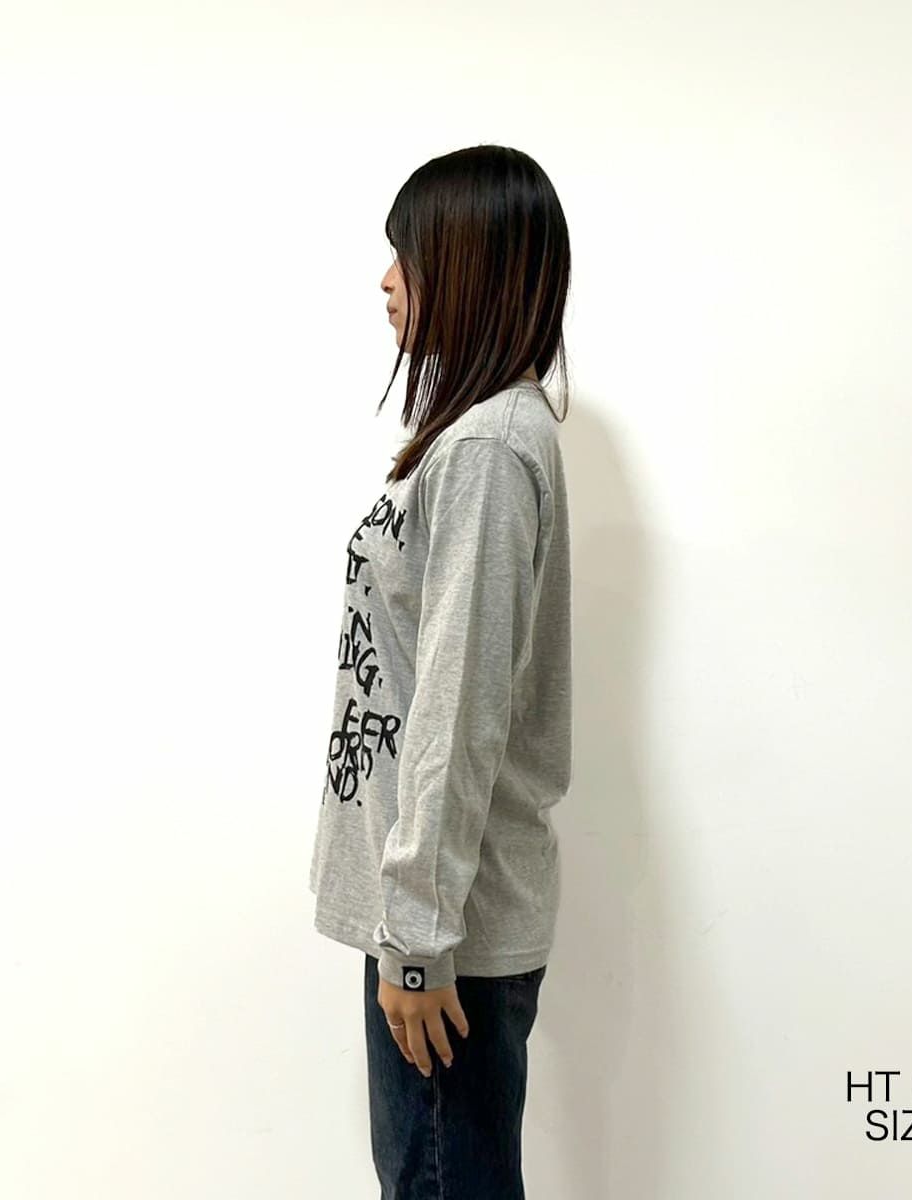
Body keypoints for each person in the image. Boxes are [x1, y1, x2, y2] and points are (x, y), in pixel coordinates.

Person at [308, 143, 573, 1199]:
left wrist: (416, 941)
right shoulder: (477, 433)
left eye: (408, 258)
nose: (386, 282)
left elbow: (461, 707)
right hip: (433, 915)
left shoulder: (485, 451)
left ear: (469, 265)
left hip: (444, 933)